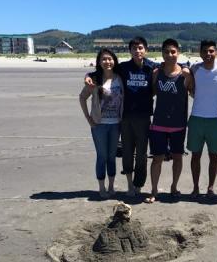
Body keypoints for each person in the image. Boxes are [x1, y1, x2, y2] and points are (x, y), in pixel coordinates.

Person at [85, 37, 157, 196]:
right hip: (125, 118)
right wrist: (87, 75)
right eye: (134, 48)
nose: (137, 51)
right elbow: (103, 70)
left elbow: (171, 66)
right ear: (130, 51)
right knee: (127, 152)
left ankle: (138, 184)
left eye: (140, 48)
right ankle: (129, 185)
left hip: (144, 117)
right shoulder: (123, 68)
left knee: (142, 154)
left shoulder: (152, 67)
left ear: (145, 49)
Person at [146, 39, 193, 203]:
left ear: (178, 53)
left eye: (173, 52)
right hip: (158, 123)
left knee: (177, 157)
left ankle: (174, 186)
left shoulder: (185, 74)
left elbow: (193, 92)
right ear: (162, 54)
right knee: (157, 158)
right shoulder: (156, 73)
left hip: (178, 124)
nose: (170, 55)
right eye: (166, 52)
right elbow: (151, 93)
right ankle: (153, 190)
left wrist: (188, 78)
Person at [187, 40, 217, 197]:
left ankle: (211, 187)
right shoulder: (195, 68)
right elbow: (188, 85)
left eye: (211, 51)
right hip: (196, 118)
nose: (208, 54)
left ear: (216, 52)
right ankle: (195, 188)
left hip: (215, 119)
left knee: (214, 156)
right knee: (195, 156)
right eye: (205, 51)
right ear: (200, 53)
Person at [79, 48, 123, 198]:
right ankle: (101, 187)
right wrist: (88, 118)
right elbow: (82, 98)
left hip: (116, 124)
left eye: (110, 59)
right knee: (102, 156)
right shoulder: (94, 80)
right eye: (104, 59)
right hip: (99, 125)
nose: (107, 62)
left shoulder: (120, 78)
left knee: (112, 156)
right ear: (99, 62)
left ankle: (111, 186)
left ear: (114, 61)